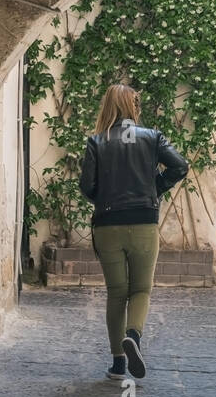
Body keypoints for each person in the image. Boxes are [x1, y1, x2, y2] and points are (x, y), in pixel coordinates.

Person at [78, 83, 189, 381]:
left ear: (107, 107)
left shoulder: (96, 141)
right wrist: (154, 189)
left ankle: (118, 365)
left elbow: (87, 186)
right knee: (141, 289)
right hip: (143, 222)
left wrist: (105, 200)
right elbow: (180, 166)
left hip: (107, 225)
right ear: (133, 107)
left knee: (116, 293)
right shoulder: (152, 137)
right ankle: (134, 337)